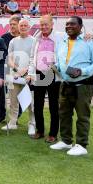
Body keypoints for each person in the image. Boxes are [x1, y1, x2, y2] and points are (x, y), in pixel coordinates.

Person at [50, 16, 93, 156]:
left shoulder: (89, 41)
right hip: (66, 84)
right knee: (64, 114)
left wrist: (82, 71)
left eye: (72, 24)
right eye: (67, 24)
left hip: (83, 85)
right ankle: (66, 141)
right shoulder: (61, 42)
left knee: (82, 115)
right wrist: (56, 67)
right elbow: (60, 61)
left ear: (80, 26)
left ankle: (81, 144)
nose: (69, 26)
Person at [28, 15, 63, 143]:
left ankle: (53, 134)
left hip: (53, 74)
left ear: (52, 24)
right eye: (41, 24)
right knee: (37, 105)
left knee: (54, 105)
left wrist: (87, 37)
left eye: (46, 24)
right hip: (38, 74)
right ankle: (40, 131)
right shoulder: (36, 39)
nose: (43, 27)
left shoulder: (60, 36)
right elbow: (32, 57)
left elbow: (74, 39)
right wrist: (31, 73)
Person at [2, 19, 36, 135]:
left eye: (25, 25)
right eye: (21, 25)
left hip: (29, 76)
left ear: (29, 27)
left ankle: (32, 124)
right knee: (13, 101)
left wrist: (26, 70)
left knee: (31, 102)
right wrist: (17, 69)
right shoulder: (13, 41)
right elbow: (9, 58)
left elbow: (34, 59)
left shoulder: (34, 41)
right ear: (18, 27)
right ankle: (13, 122)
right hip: (15, 75)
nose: (23, 27)